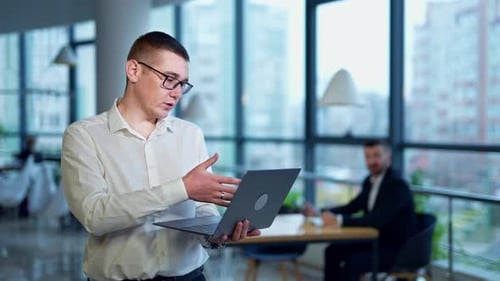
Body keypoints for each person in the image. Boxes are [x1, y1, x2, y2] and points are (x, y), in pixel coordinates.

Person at [61, 31, 260, 281]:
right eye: (169, 79)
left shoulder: (191, 134)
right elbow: (94, 216)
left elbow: (203, 208)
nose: (176, 93)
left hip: (191, 276)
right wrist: (182, 189)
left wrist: (214, 233)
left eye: (182, 84)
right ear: (134, 70)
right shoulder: (83, 136)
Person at [303, 139, 417, 281]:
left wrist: (338, 220)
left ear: (388, 156)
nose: (371, 161)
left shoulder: (397, 185)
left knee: (353, 262)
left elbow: (376, 220)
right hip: (374, 241)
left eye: (376, 155)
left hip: (396, 249)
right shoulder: (370, 181)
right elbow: (352, 207)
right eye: (368, 156)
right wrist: (321, 213)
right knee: (332, 251)